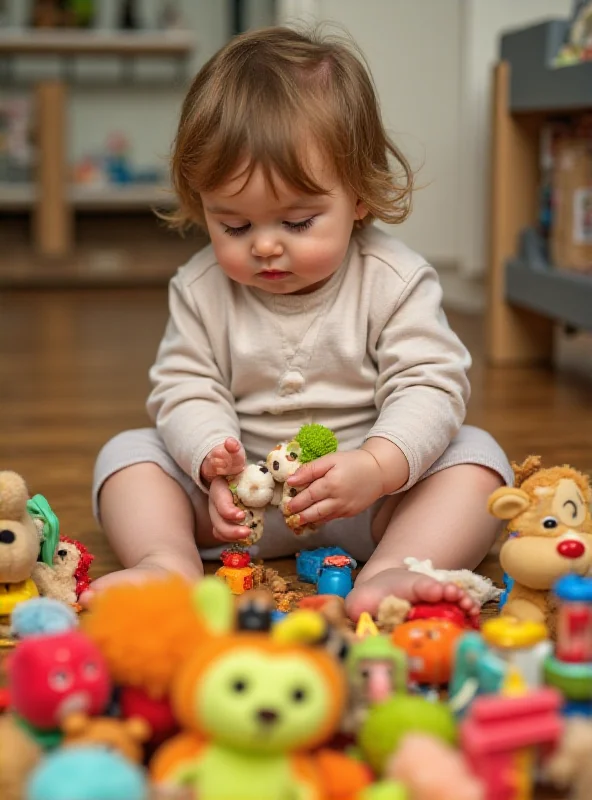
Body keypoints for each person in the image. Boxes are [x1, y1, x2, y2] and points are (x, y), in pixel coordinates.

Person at [91, 26, 512, 619]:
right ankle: (168, 563)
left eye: (297, 222)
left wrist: (378, 466)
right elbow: (185, 385)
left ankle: (396, 568)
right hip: (240, 510)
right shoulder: (201, 286)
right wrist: (209, 455)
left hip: (371, 503)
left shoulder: (394, 278)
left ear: (359, 196)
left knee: (477, 459)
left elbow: (431, 384)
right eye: (233, 226)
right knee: (127, 457)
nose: (264, 246)